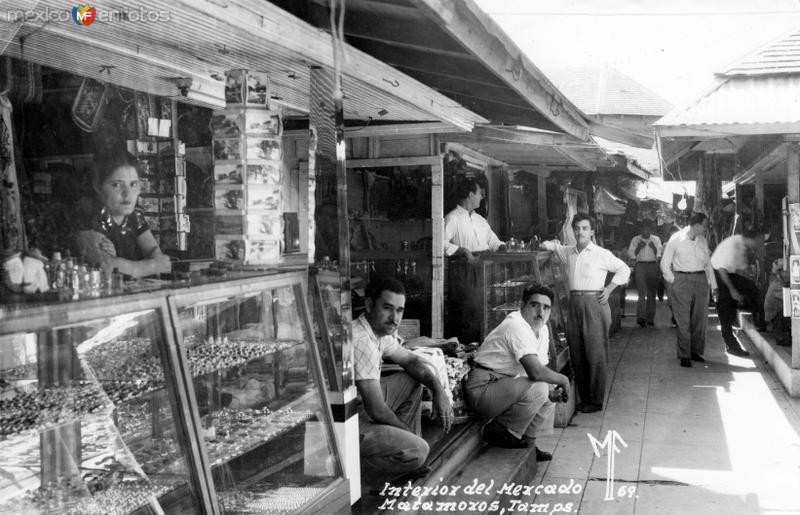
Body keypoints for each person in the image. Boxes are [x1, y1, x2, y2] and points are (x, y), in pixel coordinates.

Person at [353, 277, 454, 484]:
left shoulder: (379, 331)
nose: (394, 317)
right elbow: (377, 409)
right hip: (346, 421)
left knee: (412, 379)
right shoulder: (361, 340)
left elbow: (410, 360)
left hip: (360, 405)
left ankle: (406, 459)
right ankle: (371, 477)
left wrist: (439, 391)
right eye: (388, 308)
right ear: (370, 305)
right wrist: (409, 435)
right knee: (419, 449)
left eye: (399, 310)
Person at [465, 283, 570, 459]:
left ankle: (528, 445)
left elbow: (540, 370)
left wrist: (552, 389)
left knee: (548, 394)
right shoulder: (516, 325)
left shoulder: (541, 328)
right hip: (483, 387)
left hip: (506, 385)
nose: (540, 312)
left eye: (546, 307)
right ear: (522, 306)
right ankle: (499, 431)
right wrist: (564, 380)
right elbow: (535, 373)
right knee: (540, 389)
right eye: (534, 305)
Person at [540, 214, 630, 413]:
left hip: (594, 303)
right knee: (577, 352)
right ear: (573, 230)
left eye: (584, 228)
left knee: (595, 353)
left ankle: (596, 401)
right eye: (577, 228)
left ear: (591, 231)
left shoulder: (600, 253)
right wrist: (548, 244)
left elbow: (624, 269)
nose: (580, 232)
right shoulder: (568, 252)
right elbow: (552, 246)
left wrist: (609, 289)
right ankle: (585, 398)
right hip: (574, 304)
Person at [75, 150, 171, 278]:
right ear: (98, 186)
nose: (127, 193)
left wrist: (127, 266)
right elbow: (107, 266)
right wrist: (153, 266)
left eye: (133, 184)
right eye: (117, 185)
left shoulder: (134, 215)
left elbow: (155, 253)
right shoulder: (88, 215)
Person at [443, 178, 505, 343]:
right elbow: (441, 243)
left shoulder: (480, 220)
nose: (481, 198)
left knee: (483, 309)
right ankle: (466, 348)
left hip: (483, 268)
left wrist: (503, 247)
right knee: (467, 311)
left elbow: (493, 241)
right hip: (464, 270)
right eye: (480, 194)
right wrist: (463, 251)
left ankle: (482, 346)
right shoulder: (452, 218)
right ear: (470, 195)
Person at [660, 212, 718, 367]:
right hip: (681, 279)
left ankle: (695, 352)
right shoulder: (676, 239)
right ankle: (684, 354)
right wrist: (674, 281)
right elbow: (664, 265)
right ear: (697, 225)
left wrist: (714, 286)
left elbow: (708, 264)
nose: (706, 229)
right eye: (704, 226)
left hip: (700, 280)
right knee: (683, 319)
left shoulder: (702, 241)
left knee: (700, 319)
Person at [711, 231, 766, 357]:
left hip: (728, 274)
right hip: (719, 276)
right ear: (751, 238)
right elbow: (721, 269)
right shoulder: (733, 245)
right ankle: (732, 346)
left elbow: (741, 268)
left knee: (752, 288)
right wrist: (733, 290)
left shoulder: (741, 245)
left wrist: (751, 277)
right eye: (759, 240)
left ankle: (760, 321)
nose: (760, 244)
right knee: (726, 312)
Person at [628, 220, 662, 327]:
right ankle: (641, 318)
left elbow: (659, 256)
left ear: (651, 230)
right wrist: (639, 247)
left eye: (648, 229)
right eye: (644, 229)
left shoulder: (656, 239)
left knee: (652, 293)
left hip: (652, 265)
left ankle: (650, 318)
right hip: (640, 266)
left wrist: (653, 248)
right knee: (641, 293)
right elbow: (631, 256)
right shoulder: (635, 239)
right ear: (641, 229)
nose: (646, 231)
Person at [764, 258, 790, 338]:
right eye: (788, 271)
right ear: (781, 272)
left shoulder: (780, 282)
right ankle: (781, 335)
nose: (789, 274)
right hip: (775, 318)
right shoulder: (777, 285)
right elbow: (790, 299)